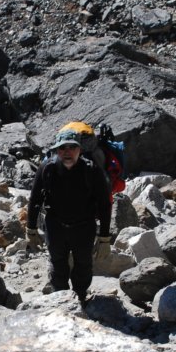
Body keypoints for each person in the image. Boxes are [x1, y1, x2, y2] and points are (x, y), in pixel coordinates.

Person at [26, 126, 112, 304]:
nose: (67, 152)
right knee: (58, 263)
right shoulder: (47, 168)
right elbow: (35, 199)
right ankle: (61, 298)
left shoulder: (92, 170)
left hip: (84, 227)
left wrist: (104, 237)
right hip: (55, 226)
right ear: (56, 150)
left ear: (80, 150)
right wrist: (31, 229)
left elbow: (105, 204)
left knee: (83, 264)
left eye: (72, 147)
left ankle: (80, 297)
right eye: (63, 148)